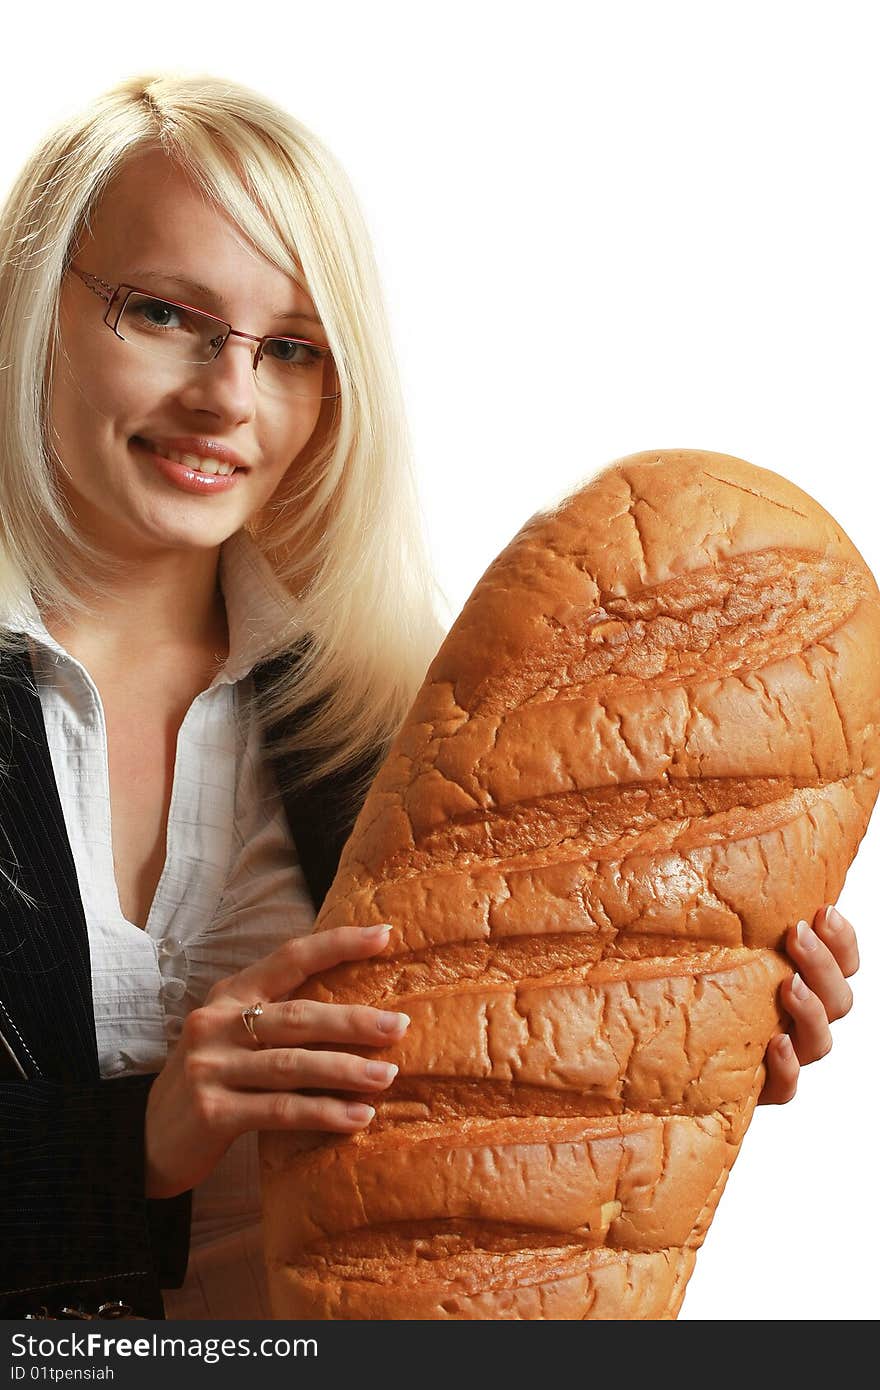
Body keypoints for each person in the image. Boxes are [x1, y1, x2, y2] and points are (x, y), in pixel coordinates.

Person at [0, 73, 860, 1322]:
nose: (227, 397)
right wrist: (135, 1139)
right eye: (166, 313)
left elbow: (485, 1148)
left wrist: (680, 1037)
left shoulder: (398, 727)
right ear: (36, 304)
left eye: (290, 347)